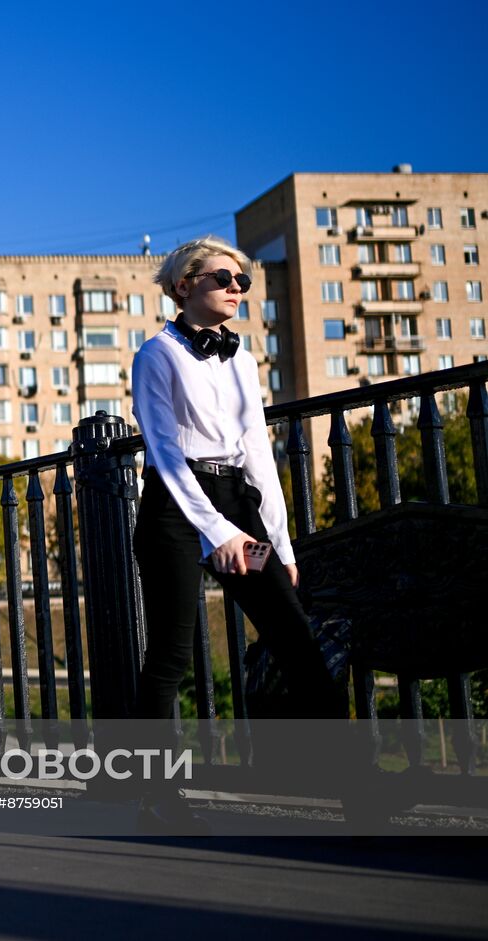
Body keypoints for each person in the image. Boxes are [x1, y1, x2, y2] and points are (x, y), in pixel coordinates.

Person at [129, 236, 345, 833]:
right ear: (184, 285)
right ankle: (153, 790)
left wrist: (280, 540)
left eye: (243, 281)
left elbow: (257, 453)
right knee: (170, 655)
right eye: (224, 278)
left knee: (297, 638)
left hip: (236, 503)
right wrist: (214, 531)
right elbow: (166, 456)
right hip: (175, 509)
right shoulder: (156, 355)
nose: (236, 289)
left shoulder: (243, 360)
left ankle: (354, 783)